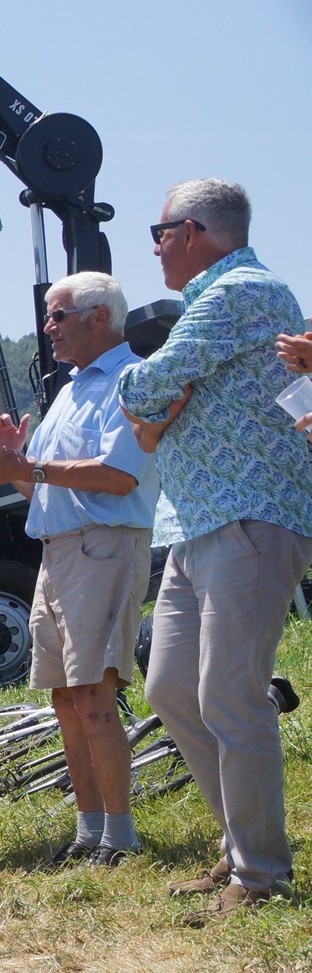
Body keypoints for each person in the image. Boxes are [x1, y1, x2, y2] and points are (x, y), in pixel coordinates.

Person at [117, 179, 312, 921]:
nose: (155, 248)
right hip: (198, 524)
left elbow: (147, 387)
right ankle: (241, 848)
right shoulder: (221, 297)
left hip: (248, 518)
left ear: (193, 230)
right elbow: (155, 396)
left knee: (230, 697)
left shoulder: (241, 292)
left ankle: (260, 875)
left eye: (159, 232)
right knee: (170, 689)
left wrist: (144, 385)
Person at [0, 272, 158, 867]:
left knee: (94, 697)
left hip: (102, 549)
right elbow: (43, 489)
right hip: (59, 553)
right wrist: (14, 464)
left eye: (57, 315)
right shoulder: (72, 390)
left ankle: (120, 836)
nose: (47, 328)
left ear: (99, 318)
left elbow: (119, 476)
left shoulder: (129, 381)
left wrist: (28, 466)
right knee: (67, 700)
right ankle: (89, 830)